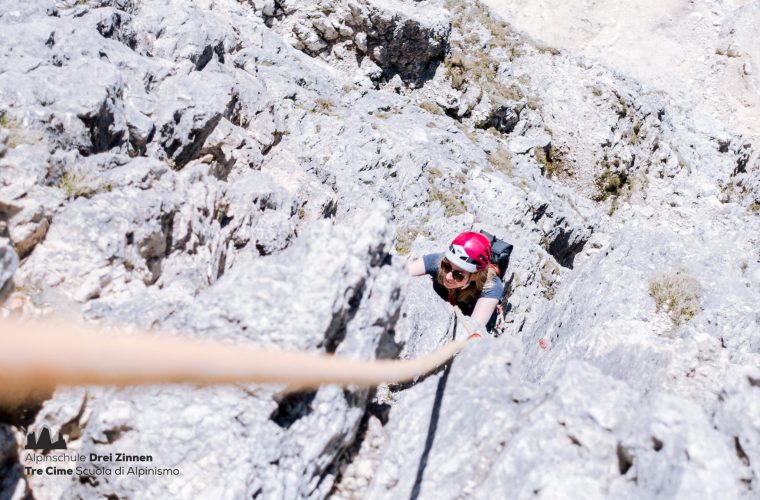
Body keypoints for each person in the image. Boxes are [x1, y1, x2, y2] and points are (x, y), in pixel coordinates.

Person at [406, 231, 504, 331]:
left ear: (475, 275)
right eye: (446, 266)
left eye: (458, 275)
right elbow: (399, 274)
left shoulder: (492, 287)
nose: (448, 277)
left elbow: (473, 329)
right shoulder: (439, 261)